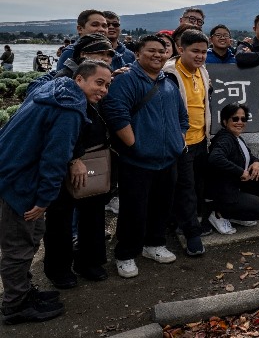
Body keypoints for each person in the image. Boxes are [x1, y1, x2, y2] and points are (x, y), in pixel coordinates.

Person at [0, 60, 112, 325]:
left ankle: (24, 292)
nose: (104, 90)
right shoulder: (69, 109)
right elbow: (55, 158)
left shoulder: (52, 89)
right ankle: (15, 305)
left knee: (26, 240)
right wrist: (44, 200)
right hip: (21, 182)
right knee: (19, 246)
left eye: (108, 85)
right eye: (99, 82)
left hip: (11, 172)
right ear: (79, 80)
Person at [102, 35, 189, 279]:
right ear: (138, 53)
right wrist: (134, 144)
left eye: (162, 51)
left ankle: (154, 244)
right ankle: (126, 253)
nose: (157, 55)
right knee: (133, 209)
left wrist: (177, 140)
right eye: (151, 50)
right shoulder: (126, 80)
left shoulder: (169, 82)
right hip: (136, 160)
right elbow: (116, 112)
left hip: (168, 158)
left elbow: (183, 116)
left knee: (162, 205)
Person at [162, 29, 211, 256]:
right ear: (180, 49)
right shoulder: (170, 74)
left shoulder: (203, 71)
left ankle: (185, 223)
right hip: (180, 142)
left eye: (203, 51)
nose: (200, 56)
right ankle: (192, 234)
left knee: (198, 186)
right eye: (195, 51)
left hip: (201, 138)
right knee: (186, 189)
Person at [206, 103, 259, 232]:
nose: (240, 122)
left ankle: (234, 214)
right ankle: (219, 214)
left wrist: (257, 162)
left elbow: (249, 156)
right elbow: (215, 158)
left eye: (243, 119)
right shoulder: (225, 139)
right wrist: (240, 172)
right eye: (235, 119)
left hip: (235, 185)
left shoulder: (237, 138)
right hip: (223, 191)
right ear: (225, 121)